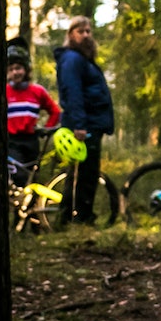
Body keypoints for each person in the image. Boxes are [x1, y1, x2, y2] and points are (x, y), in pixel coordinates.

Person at [53, 16, 114, 226]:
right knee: (84, 175)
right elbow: (73, 93)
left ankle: (70, 217)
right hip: (84, 125)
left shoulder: (82, 59)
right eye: (81, 31)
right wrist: (79, 124)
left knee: (82, 173)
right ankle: (80, 219)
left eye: (88, 31)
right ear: (71, 35)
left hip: (92, 123)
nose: (86, 35)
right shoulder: (72, 59)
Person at [5, 39, 62, 187]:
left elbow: (55, 111)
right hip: (11, 141)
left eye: (18, 68)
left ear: (26, 69)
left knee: (32, 178)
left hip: (31, 140)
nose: (15, 73)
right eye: (10, 70)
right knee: (18, 176)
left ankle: (29, 208)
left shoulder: (37, 91)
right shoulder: (4, 91)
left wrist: (47, 129)